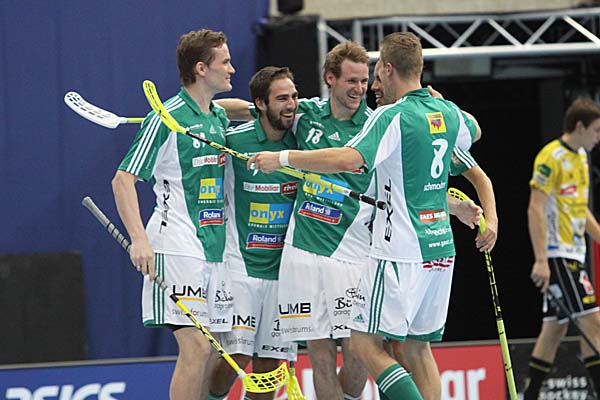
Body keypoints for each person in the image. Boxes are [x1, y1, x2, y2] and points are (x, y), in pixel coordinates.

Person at [249, 31, 481, 400]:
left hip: (358, 251)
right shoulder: (306, 114)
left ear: (386, 70)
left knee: (361, 353)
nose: (362, 88)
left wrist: (453, 205)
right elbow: (258, 109)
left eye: (365, 79)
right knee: (322, 357)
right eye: (352, 80)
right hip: (304, 249)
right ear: (330, 78)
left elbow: (394, 180)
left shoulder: (380, 120)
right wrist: (209, 111)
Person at [111, 29, 235, 400]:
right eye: (225, 62)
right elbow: (122, 179)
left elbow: (228, 108)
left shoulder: (217, 117)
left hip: (214, 248)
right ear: (201, 69)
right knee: (195, 347)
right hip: (176, 244)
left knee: (213, 350)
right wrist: (139, 239)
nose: (232, 68)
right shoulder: (164, 119)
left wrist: (255, 107)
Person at [370, 63, 497, 399]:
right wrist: (457, 207)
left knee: (377, 345)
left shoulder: (406, 122)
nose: (372, 87)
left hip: (402, 248)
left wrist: (286, 159)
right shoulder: (391, 122)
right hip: (423, 246)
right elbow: (414, 189)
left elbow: (476, 168)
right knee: (405, 347)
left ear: (390, 72)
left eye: (377, 79)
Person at [208, 66, 300, 400]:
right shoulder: (234, 140)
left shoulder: (303, 140)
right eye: (282, 98)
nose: (291, 105)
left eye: (294, 97)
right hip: (240, 268)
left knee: (270, 368)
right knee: (236, 356)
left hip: (284, 272)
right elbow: (211, 110)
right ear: (260, 103)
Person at [524, 97, 600, 399]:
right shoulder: (550, 157)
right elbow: (535, 207)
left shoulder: (581, 157)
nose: (598, 137)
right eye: (596, 131)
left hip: (575, 252)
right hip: (558, 255)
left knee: (553, 330)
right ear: (580, 126)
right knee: (593, 323)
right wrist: (541, 259)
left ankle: (530, 396)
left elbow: (581, 211)